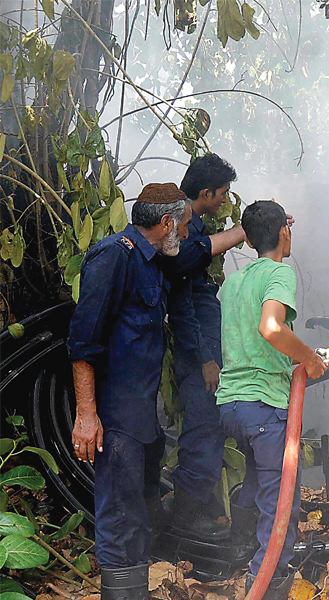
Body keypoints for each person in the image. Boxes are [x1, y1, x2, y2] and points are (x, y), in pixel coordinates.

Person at [68, 183, 192, 600]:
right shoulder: (113, 256)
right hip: (116, 419)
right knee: (120, 520)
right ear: (167, 223)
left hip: (143, 418)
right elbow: (82, 341)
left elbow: (199, 249)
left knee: (138, 516)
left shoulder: (153, 261)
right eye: (185, 225)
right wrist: (87, 415)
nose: (187, 234)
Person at [162, 154, 295, 542]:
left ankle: (213, 524)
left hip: (212, 362)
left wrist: (260, 229)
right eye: (221, 194)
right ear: (205, 193)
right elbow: (182, 302)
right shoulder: (181, 232)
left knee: (210, 436)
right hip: (199, 357)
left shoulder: (226, 268)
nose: (224, 200)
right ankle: (186, 525)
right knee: (203, 435)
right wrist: (205, 359)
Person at [215, 200, 326, 597]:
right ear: (284, 233)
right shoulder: (279, 273)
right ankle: (266, 585)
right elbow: (271, 327)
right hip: (264, 405)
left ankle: (241, 554)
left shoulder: (233, 282)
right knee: (281, 501)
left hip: (231, 406)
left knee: (256, 480)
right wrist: (309, 357)